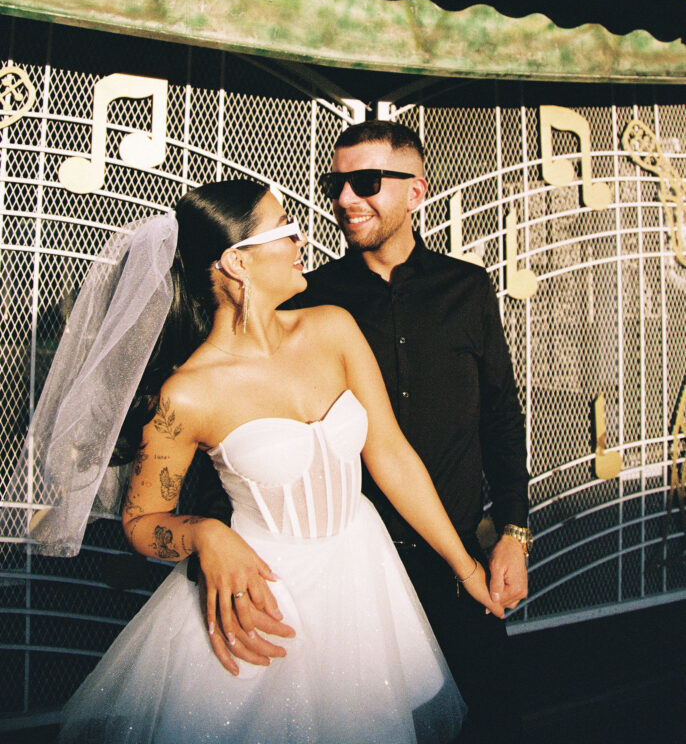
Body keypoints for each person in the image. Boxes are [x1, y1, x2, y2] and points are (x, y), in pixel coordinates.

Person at [14, 178, 508, 743]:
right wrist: (206, 536)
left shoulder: (334, 328)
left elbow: (392, 454)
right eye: (287, 229)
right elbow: (142, 521)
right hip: (261, 598)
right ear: (236, 262)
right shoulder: (188, 395)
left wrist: (464, 566)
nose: (303, 241)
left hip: (363, 582)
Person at [196, 122, 530, 742]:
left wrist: (513, 530)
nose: (346, 199)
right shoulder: (307, 302)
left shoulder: (468, 289)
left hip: (457, 558)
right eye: (336, 184)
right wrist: (211, 533)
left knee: (490, 722)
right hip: (350, 586)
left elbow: (501, 418)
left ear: (415, 192)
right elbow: (237, 434)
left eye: (367, 182)